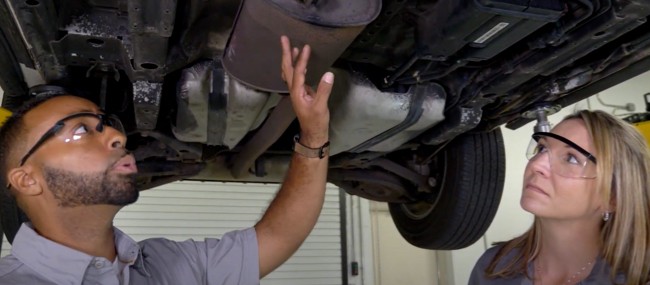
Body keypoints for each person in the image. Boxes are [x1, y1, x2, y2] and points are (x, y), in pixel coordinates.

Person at [0, 35, 334, 284]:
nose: (117, 137)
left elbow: (276, 239)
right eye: (80, 130)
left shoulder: (165, 265)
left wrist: (313, 136)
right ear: (26, 179)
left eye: (106, 124)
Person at [469, 110, 650, 285]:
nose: (537, 165)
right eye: (542, 148)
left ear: (612, 198)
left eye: (571, 158)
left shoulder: (636, 278)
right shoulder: (492, 268)